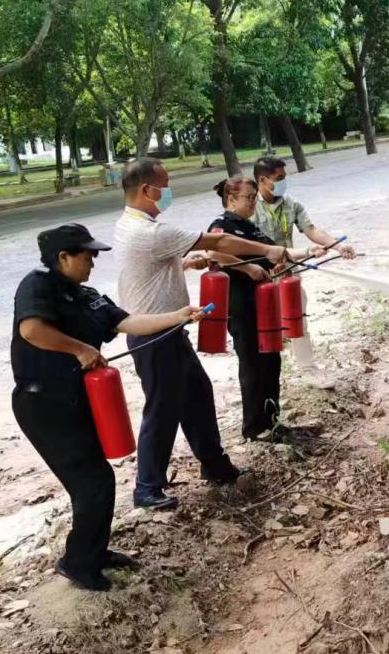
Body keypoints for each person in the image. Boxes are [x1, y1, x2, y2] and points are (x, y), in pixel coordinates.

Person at [11, 223, 205, 592]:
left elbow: (128, 321)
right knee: (93, 481)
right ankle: (78, 563)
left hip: (77, 400)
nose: (93, 263)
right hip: (43, 404)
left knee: (96, 480)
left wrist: (178, 315)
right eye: (87, 256)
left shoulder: (87, 296)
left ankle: (93, 553)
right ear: (63, 258)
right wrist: (80, 349)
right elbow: (32, 330)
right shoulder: (38, 285)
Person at [112, 158, 307, 508]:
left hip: (171, 330)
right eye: (164, 186)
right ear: (146, 189)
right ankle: (147, 487)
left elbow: (153, 264)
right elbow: (220, 242)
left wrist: (185, 263)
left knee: (198, 396)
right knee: (162, 409)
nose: (168, 192)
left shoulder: (129, 225)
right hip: (154, 335)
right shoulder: (151, 233)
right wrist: (267, 250)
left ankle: (215, 465)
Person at [205, 176, 308, 441]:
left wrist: (312, 251)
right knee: (253, 362)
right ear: (231, 199)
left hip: (263, 304)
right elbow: (212, 254)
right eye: (249, 198)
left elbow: (275, 251)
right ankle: (253, 427)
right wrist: (247, 267)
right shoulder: (222, 225)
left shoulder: (249, 227)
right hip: (241, 305)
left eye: (254, 198)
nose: (253, 203)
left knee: (271, 359)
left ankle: (272, 421)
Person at [251, 156, 355, 367]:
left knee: (296, 315)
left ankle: (306, 365)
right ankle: (272, 367)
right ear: (262, 180)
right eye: (278, 178)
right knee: (264, 322)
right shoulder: (250, 206)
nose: (283, 182)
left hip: (289, 270)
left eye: (284, 177)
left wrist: (337, 246)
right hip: (260, 274)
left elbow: (311, 230)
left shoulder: (291, 204)